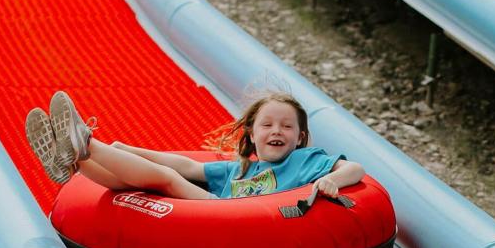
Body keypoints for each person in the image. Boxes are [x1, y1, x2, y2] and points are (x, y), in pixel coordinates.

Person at [24, 90, 364, 200]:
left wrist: (333, 180)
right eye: (268, 125)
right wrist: (126, 149)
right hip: (217, 211)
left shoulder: (306, 161)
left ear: (300, 137)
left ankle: (85, 143)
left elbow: (355, 169)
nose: (278, 131)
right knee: (137, 182)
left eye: (287, 127)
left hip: (229, 217)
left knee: (168, 182)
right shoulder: (242, 167)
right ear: (252, 132)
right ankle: (73, 162)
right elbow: (187, 166)